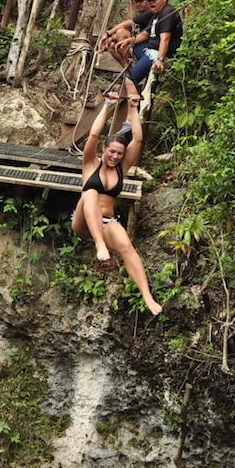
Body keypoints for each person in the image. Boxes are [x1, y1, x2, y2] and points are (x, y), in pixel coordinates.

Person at [71, 92, 162, 316]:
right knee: (90, 192)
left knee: (127, 247)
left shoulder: (121, 168)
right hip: (83, 221)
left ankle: (147, 296)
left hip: (107, 222)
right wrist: (107, 106)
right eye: (112, 151)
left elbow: (138, 140)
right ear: (104, 150)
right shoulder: (91, 163)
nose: (115, 156)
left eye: (119, 153)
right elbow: (93, 134)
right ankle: (100, 246)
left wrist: (133, 108)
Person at [116, 0, 183, 96]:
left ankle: (133, 108)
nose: (151, 3)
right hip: (150, 48)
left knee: (130, 79)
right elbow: (145, 34)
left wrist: (160, 60)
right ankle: (139, 68)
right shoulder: (156, 13)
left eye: (155, 0)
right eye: (149, 0)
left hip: (157, 53)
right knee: (133, 46)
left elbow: (165, 39)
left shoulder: (167, 13)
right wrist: (128, 41)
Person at [100, 0, 150, 66]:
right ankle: (127, 67)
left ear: (147, 2)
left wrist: (108, 33)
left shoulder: (149, 13)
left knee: (120, 32)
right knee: (111, 45)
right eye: (136, 2)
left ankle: (132, 61)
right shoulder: (140, 14)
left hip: (144, 43)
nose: (138, 4)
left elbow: (127, 23)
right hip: (136, 39)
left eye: (140, 1)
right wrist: (110, 37)